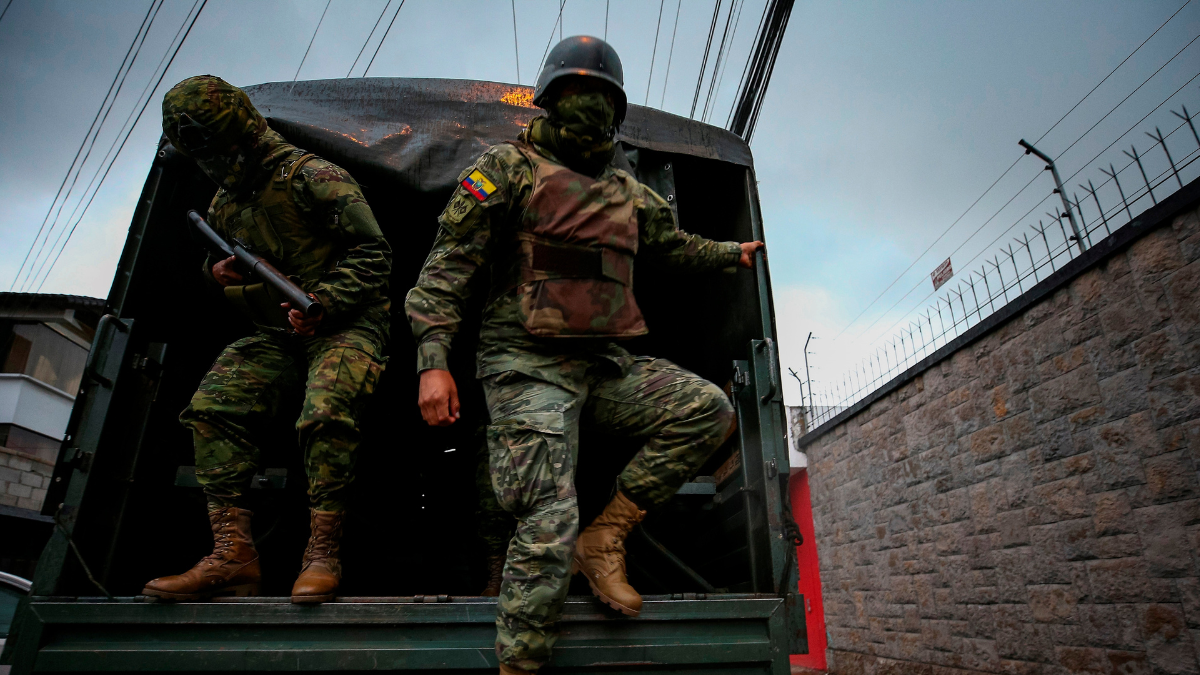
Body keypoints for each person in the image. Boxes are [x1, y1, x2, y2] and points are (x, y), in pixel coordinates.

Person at [405, 37, 764, 674]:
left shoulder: (627, 192)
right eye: (573, 95)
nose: (586, 108)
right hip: (525, 367)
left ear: (615, 111)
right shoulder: (507, 170)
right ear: (546, 101)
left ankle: (608, 536)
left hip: (604, 369)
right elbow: (445, 271)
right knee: (548, 519)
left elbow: (671, 247)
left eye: (599, 98)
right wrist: (434, 361)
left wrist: (728, 252)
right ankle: (519, 666)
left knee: (706, 410)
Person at [142, 75, 391, 604]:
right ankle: (234, 555)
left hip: (348, 323)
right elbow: (219, 294)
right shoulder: (224, 207)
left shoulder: (311, 176)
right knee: (212, 406)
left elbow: (374, 255)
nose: (217, 160)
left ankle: (322, 553)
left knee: (327, 409)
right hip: (279, 333)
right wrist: (220, 276)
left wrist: (324, 304)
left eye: (221, 147)